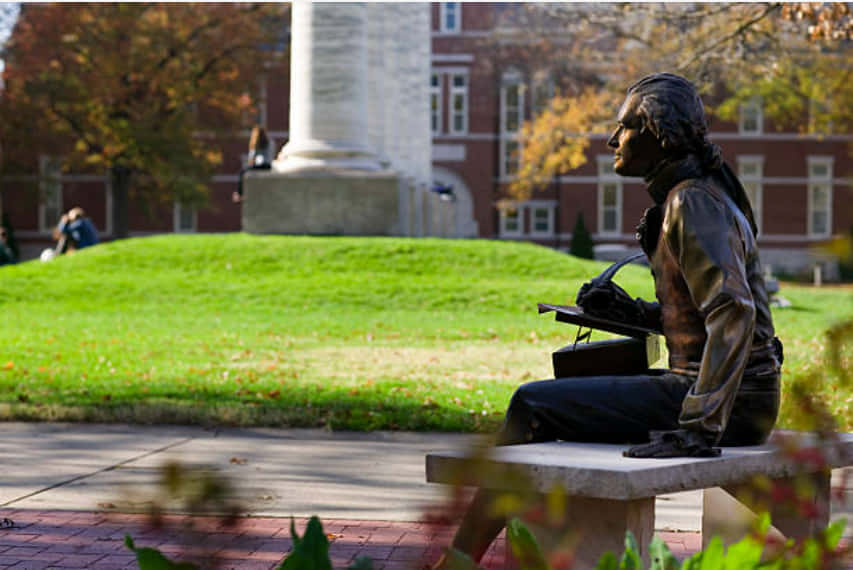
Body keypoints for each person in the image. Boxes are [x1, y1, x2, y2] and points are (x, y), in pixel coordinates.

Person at [436, 73, 783, 564]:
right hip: (725, 392)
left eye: (624, 128)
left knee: (532, 403)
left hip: (728, 403)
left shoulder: (692, 202)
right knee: (550, 397)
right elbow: (707, 318)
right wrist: (631, 313)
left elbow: (734, 311)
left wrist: (700, 425)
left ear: (659, 135)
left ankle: (460, 559)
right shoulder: (691, 194)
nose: (612, 140)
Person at [232, 125, 273, 203]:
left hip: (261, 166)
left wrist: (251, 163)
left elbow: (252, 158)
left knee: (242, 172)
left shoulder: (257, 143)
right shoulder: (270, 142)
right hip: (268, 166)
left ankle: (239, 194)